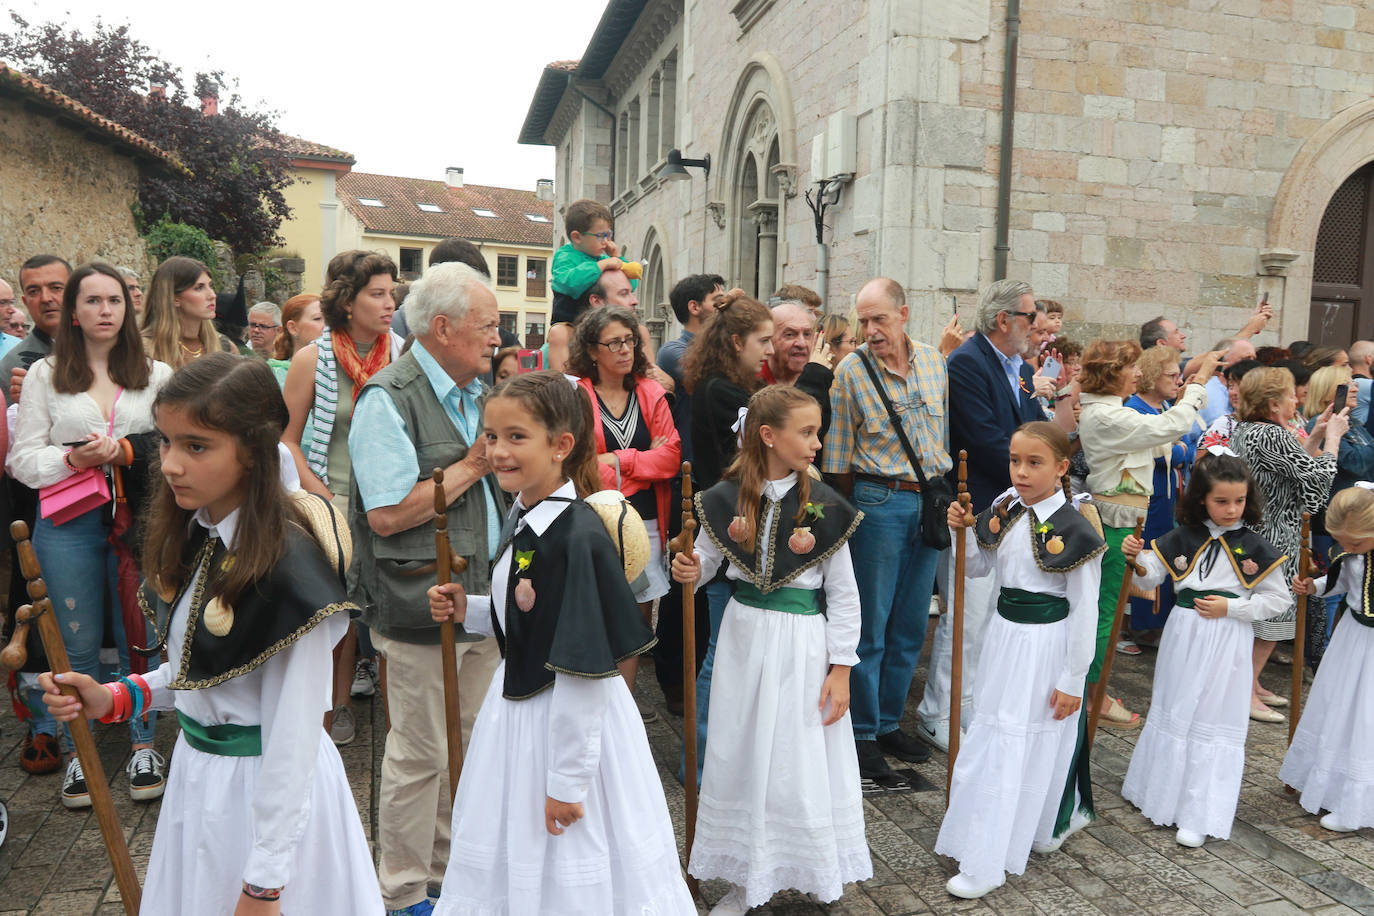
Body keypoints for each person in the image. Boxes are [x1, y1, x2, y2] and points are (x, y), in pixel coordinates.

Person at [38, 353, 382, 914]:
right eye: (167, 442)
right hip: (200, 783)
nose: (171, 464)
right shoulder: (204, 538)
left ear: (252, 451)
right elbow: (204, 668)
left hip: (268, 801)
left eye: (196, 446)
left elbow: (293, 737)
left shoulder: (288, 571)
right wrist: (114, 696)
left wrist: (266, 881)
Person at [426, 371, 694, 916]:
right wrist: (470, 610)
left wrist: (568, 782)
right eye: (491, 436)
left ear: (562, 445)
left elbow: (582, 668)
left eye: (516, 436)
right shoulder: (527, 515)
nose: (497, 451)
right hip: (522, 716)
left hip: (562, 727)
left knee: (567, 864)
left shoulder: (576, 534)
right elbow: (533, 614)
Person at [670, 385, 870, 913]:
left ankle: (808, 866)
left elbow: (845, 596)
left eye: (817, 432)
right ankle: (744, 880)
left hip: (802, 646)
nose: (818, 443)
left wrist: (841, 667)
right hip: (743, 637)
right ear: (768, 436)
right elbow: (707, 565)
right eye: (806, 432)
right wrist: (689, 569)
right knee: (742, 751)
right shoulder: (723, 499)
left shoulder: (825, 508)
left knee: (797, 757)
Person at [348, 261, 505, 916]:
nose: (497, 338)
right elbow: (386, 514)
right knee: (420, 756)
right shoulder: (388, 398)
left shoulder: (481, 392)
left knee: (468, 745)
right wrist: (473, 463)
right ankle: (405, 892)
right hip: (420, 606)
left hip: (480, 605)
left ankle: (448, 878)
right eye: (488, 326)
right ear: (442, 329)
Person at [9, 263, 172, 806]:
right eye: (93, 301)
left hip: (142, 520)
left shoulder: (158, 373)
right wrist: (72, 458)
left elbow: (173, 447)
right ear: (73, 312)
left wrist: (125, 451)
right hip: (67, 520)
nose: (105, 310)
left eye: (115, 301)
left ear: (129, 309)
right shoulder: (45, 374)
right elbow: (22, 460)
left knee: (138, 635)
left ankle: (144, 742)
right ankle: (80, 754)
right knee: (74, 643)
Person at [937, 422, 1103, 899]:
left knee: (1021, 737)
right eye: (1015, 461)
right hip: (1004, 639)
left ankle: (991, 859)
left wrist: (1074, 677)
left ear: (1061, 467)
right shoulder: (1006, 509)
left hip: (1044, 647)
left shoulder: (1075, 529)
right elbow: (979, 567)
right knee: (992, 730)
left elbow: (1085, 607)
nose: (1022, 472)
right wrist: (961, 532)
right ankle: (989, 830)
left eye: (1035, 463)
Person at [1120, 453, 1288, 847]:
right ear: (1201, 500)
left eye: (1239, 501)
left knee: (1213, 714)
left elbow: (1277, 599)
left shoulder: (1255, 546)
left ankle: (1200, 811)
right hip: (1184, 634)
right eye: (1221, 501)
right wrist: (1136, 557)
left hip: (1227, 637)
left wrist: (1233, 607)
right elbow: (1154, 572)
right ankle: (1158, 795)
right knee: (1177, 705)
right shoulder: (1183, 537)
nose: (1231, 510)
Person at [822, 277, 949, 784]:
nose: (870, 330)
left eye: (878, 319)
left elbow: (940, 438)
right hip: (877, 501)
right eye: (863, 320)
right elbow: (835, 464)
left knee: (911, 625)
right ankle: (862, 733)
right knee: (870, 627)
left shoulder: (935, 362)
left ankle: (891, 721)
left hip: (927, 503)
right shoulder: (850, 372)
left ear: (904, 313)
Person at [917, 278, 1046, 753]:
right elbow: (986, 441)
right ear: (1003, 319)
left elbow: (1037, 429)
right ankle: (938, 712)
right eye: (1031, 316)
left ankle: (970, 702)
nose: (1036, 326)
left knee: (990, 616)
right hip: (975, 509)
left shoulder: (1018, 366)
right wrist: (1037, 470)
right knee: (966, 617)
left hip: (1008, 508)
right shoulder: (968, 363)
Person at [283, 250, 404, 745]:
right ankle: (337, 707)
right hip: (331, 500)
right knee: (337, 616)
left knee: (394, 613)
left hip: (391, 504)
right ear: (346, 301)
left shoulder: (404, 354)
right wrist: (323, 497)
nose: (390, 303)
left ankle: (403, 721)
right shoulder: (311, 358)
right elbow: (287, 440)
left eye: (392, 292)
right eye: (377, 293)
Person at [680, 292, 773, 780]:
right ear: (736, 341)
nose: (769, 351)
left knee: (725, 653)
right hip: (726, 525)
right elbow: (767, 430)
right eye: (762, 340)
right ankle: (696, 766)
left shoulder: (727, 385)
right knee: (719, 656)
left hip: (735, 521)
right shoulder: (720, 391)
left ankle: (716, 762)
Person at [567, 306, 681, 696]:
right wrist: (643, 460)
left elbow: (671, 458)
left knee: (635, 617)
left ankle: (625, 706)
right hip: (592, 520)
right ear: (592, 350)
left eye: (629, 340)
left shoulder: (651, 392)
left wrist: (618, 460)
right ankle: (590, 696)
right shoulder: (576, 394)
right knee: (593, 611)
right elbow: (578, 464)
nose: (624, 349)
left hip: (645, 522)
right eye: (613, 343)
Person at [1229, 366, 1342, 721]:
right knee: (1272, 615)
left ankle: (1252, 682)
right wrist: (1333, 441)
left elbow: (1291, 469)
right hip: (1275, 536)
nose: (1299, 398)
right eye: (1292, 394)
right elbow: (1314, 484)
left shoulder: (1251, 430)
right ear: (1275, 403)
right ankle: (1243, 691)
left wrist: (1316, 435)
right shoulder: (1271, 434)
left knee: (1263, 614)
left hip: (1259, 532)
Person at [653, 273, 725, 713]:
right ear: (695, 307)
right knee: (685, 587)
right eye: (719, 300)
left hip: (718, 482)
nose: (726, 305)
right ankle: (675, 681)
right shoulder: (675, 352)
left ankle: (700, 673)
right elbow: (711, 375)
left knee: (708, 586)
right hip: (690, 484)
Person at [1284, 484, 1374, 832]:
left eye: (1357, 544)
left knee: (1366, 715)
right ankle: (1331, 785)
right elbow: (1339, 583)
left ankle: (1358, 804)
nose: (1349, 549)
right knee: (1341, 708)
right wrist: (1314, 587)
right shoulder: (1349, 555)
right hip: (1351, 641)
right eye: (1344, 543)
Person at [1120, 346, 1195, 652]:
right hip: (1145, 499)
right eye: (1172, 375)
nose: (1179, 381)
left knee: (1163, 557)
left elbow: (1187, 445)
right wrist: (1174, 449)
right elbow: (1162, 451)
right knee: (1140, 556)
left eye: (1180, 375)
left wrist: (1175, 449)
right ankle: (1131, 628)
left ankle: (1153, 625)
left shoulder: (1166, 410)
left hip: (1168, 500)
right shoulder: (1135, 409)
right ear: (1152, 377)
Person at [550, 199, 641, 327]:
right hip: (569, 326)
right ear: (577, 237)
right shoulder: (564, 256)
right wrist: (601, 266)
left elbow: (631, 285)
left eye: (608, 235)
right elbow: (568, 283)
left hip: (597, 325)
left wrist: (617, 257)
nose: (606, 241)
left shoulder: (603, 258)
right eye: (600, 236)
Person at [140, 257, 237, 369]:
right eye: (199, 288)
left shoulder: (224, 346)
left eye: (210, 286)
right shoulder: (145, 349)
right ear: (174, 298)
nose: (212, 295)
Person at [2, 255, 70, 406]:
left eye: (56, 288)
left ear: (74, 293)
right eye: (34, 291)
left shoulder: (106, 348)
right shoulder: (13, 366)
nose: (46, 298)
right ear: (25, 302)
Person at [1198, 359, 1263, 452]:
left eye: (1241, 385)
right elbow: (1202, 461)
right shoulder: (1225, 425)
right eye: (1231, 386)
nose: (1234, 392)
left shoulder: (1276, 422)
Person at [266, 293, 326, 386]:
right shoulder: (273, 376)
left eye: (330, 319)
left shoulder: (340, 371)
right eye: (317, 318)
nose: (327, 326)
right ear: (293, 328)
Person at [1199, 339, 1258, 428]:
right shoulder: (1210, 395)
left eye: (1254, 359)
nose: (1251, 364)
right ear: (1224, 361)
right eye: (1246, 359)